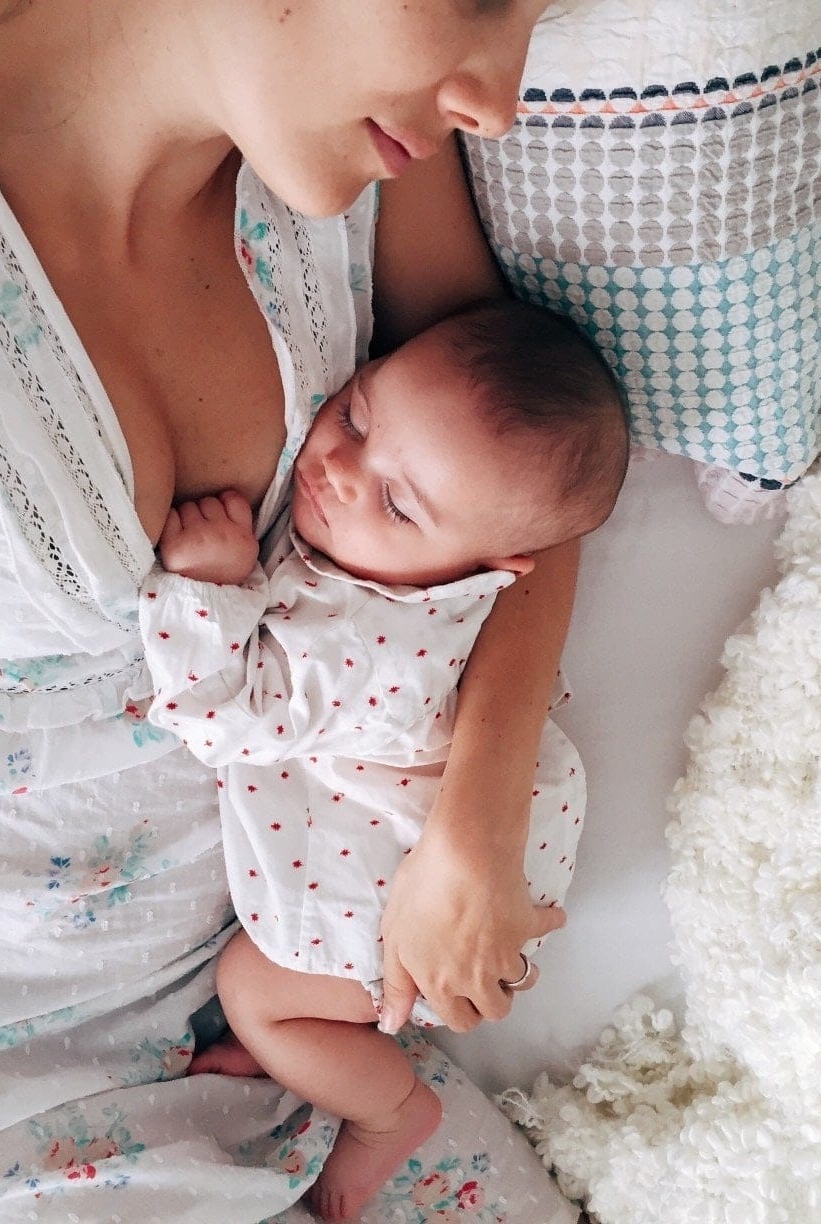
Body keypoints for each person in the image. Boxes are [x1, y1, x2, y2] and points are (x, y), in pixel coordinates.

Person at [0, 1, 590, 1217]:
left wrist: (473, 831)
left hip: (257, 1017)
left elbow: (531, 501)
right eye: (485, 0)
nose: (501, 99)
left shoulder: (363, 156)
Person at [139, 299, 629, 1221]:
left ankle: (390, 1110)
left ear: (491, 567)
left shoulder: (371, 650)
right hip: (456, 837)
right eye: (358, 415)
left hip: (416, 911)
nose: (337, 471)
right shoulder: (394, 572)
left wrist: (203, 590)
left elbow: (221, 718)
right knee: (274, 1003)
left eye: (399, 504)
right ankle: (326, 1035)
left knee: (252, 993)